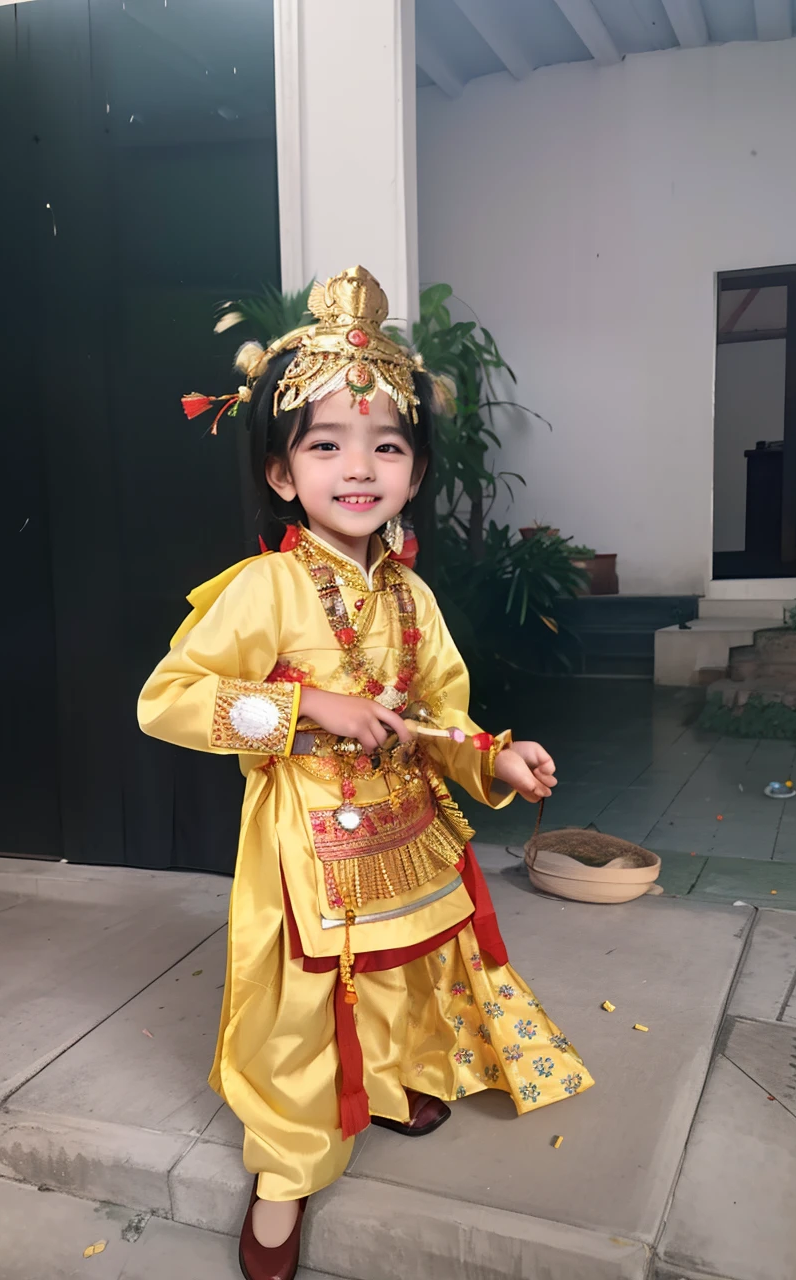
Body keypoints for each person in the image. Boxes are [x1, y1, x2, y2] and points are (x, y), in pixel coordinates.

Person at [137, 266, 593, 1280]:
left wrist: (496, 757)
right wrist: (307, 710)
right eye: (326, 443)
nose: (359, 465)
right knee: (302, 1001)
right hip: (303, 835)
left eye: (385, 444)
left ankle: (388, 1081)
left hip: (404, 828)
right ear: (279, 472)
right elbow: (166, 697)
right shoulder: (263, 587)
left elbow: (440, 713)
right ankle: (286, 1168)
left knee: (403, 974)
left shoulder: (411, 595)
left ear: (413, 470)